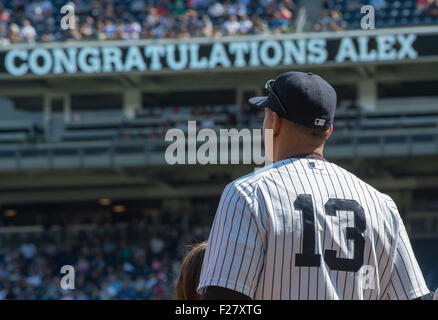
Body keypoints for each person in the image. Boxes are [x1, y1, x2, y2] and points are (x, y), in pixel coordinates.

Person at [197, 71, 430, 300]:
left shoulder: (247, 193)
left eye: (266, 115)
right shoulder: (381, 204)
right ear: (328, 131)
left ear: (275, 122)